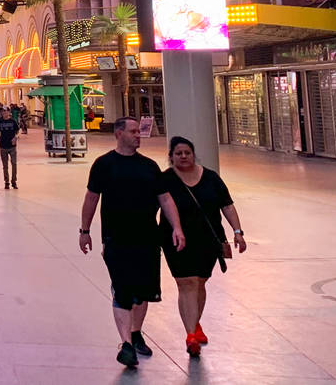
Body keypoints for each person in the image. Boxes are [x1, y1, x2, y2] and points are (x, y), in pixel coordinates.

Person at [78, 117, 186, 370]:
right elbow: (91, 198)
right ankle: (126, 343)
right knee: (123, 289)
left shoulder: (149, 167)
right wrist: (84, 230)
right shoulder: (104, 165)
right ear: (119, 134)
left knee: (144, 291)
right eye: (134, 131)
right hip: (116, 238)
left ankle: (136, 333)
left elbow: (166, 199)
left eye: (139, 131)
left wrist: (177, 228)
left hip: (148, 237)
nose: (139, 135)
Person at [160, 136, 247, 356]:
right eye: (178, 153)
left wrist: (237, 232)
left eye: (187, 152)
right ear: (171, 157)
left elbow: (227, 206)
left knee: (200, 282)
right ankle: (190, 334)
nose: (183, 156)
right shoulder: (165, 179)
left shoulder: (210, 177)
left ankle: (194, 322)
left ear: (193, 154)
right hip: (176, 239)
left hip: (208, 238)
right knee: (186, 282)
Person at [0, 106, 20, 189]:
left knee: (14, 163)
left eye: (6, 111)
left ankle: (14, 181)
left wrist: (15, 137)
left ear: (9, 112)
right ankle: (7, 181)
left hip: (12, 146)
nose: (4, 113)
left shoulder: (13, 121)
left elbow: (17, 132)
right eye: (3, 112)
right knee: (5, 165)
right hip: (3, 146)